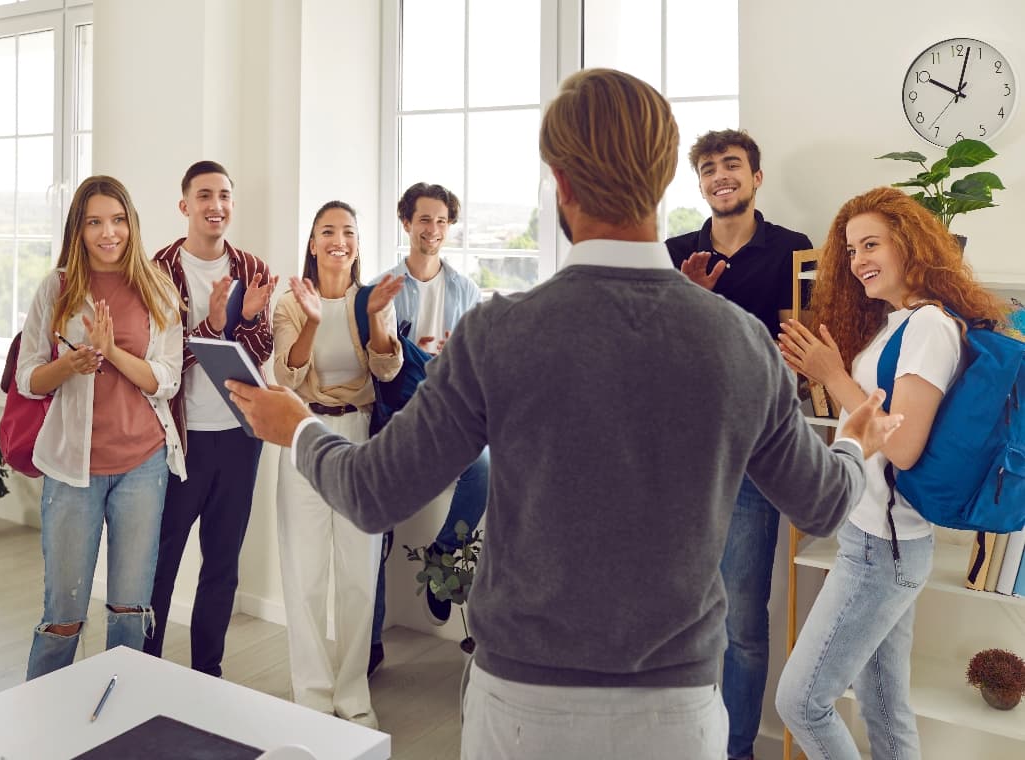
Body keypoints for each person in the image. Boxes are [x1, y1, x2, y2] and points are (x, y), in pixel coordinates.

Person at [224, 69, 902, 760]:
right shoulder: (738, 339)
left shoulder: (499, 332)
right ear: (665, 179)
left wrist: (296, 427)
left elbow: (371, 493)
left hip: (522, 708)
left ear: (561, 183)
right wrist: (853, 440)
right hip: (677, 715)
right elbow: (823, 503)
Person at [775, 186, 1005, 760]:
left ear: (909, 243)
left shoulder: (928, 325)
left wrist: (831, 373)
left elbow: (900, 447)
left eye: (871, 244)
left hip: (884, 549)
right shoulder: (899, 321)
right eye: (851, 250)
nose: (857, 261)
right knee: (883, 705)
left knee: (801, 703)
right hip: (879, 538)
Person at [665, 128, 813, 760]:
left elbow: (799, 358)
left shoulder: (792, 253)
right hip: (676, 458)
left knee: (744, 623)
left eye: (732, 165)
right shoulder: (671, 252)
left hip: (755, 456)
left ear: (755, 178)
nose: (719, 175)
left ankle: (736, 750)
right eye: (707, 168)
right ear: (698, 183)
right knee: (673, 614)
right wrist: (688, 300)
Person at [18, 175, 185, 680]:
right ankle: (42, 728)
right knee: (63, 617)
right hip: (73, 470)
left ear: (131, 224)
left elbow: (168, 380)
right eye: (94, 222)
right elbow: (28, 378)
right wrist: (67, 366)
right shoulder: (58, 287)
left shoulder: (156, 286)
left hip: (143, 465)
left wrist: (113, 353)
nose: (108, 233)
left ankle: (122, 731)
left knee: (130, 614)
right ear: (79, 229)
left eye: (117, 221)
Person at [271, 200, 404, 729]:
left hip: (358, 440)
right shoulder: (289, 303)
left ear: (357, 242)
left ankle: (353, 695)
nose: (338, 240)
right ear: (312, 242)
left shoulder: (373, 299)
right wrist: (310, 320)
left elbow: (387, 368)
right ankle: (311, 696)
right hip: (302, 434)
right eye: (328, 231)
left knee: (357, 575)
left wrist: (374, 320)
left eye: (348, 231)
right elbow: (286, 377)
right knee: (303, 575)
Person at [144, 161, 278, 676]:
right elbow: (158, 358)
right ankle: (146, 668)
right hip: (180, 440)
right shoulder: (156, 270)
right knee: (161, 562)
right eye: (204, 196)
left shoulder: (251, 267)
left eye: (224, 195)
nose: (215, 205)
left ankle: (208, 675)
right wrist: (214, 324)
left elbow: (261, 349)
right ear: (185, 206)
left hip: (240, 438)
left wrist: (243, 323)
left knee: (222, 567)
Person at [368, 182, 489, 676]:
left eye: (441, 221)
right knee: (376, 534)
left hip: (446, 413)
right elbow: (383, 368)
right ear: (406, 223)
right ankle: (368, 644)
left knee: (483, 466)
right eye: (424, 220)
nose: (433, 230)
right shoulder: (385, 286)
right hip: (397, 416)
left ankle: (443, 562)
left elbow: (471, 362)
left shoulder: (465, 289)